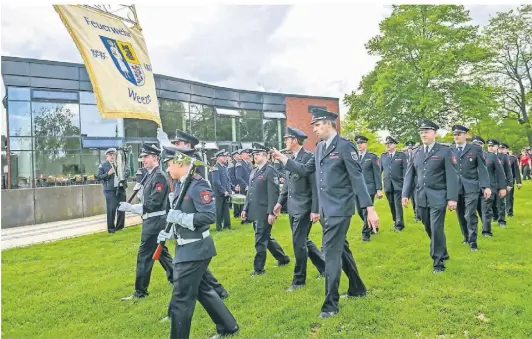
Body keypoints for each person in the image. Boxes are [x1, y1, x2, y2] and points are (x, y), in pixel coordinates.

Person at [271, 108, 379, 319]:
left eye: (318, 125)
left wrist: (370, 208)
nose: (315, 130)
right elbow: (304, 170)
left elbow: (357, 179)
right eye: (314, 126)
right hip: (326, 209)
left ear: (329, 123)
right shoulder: (319, 148)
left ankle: (330, 305)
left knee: (330, 253)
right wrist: (283, 160)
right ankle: (357, 288)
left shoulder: (345, 147)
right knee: (342, 249)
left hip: (340, 210)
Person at [156, 146, 239, 339]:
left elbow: (209, 216)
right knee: (203, 290)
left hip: (195, 250)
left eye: (169, 165)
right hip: (187, 248)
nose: (167, 169)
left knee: (181, 300)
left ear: (180, 163)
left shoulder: (198, 185)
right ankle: (228, 326)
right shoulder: (180, 184)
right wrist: (169, 234)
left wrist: (181, 218)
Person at [156, 128, 230, 301]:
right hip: (189, 239)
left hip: (196, 236)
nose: (176, 147)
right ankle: (221, 298)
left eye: (178, 144)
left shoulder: (194, 171)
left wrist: (180, 217)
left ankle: (219, 296)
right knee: (202, 281)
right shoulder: (180, 173)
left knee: (187, 287)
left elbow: (206, 213)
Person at [402, 119, 458, 273]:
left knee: (436, 228)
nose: (423, 134)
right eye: (421, 132)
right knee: (429, 228)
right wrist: (405, 194)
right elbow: (409, 175)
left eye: (426, 131)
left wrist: (452, 198)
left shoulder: (445, 151)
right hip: (421, 197)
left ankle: (438, 262)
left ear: (435, 133)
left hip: (438, 196)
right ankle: (443, 251)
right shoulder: (416, 152)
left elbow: (452, 176)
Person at [118, 143, 174, 300]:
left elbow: (154, 203)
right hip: (152, 220)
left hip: (155, 220)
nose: (143, 160)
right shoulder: (149, 175)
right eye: (142, 157)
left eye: (146, 157)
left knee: (144, 256)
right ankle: (176, 277)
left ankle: (140, 291)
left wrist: (132, 208)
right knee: (162, 253)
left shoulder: (160, 176)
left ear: (155, 157)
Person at [273, 127, 325, 291]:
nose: (285, 142)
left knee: (298, 243)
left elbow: (315, 186)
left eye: (287, 139)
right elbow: (288, 184)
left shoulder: (308, 157)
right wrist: (280, 202)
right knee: (303, 240)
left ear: (294, 140)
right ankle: (324, 268)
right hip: (292, 206)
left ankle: (298, 281)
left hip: (304, 207)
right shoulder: (292, 157)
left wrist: (315, 210)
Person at [242, 143, 290, 276]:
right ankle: (283, 258)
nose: (254, 157)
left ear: (265, 155)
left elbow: (273, 194)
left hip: (264, 212)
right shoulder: (254, 170)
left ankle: (258, 269)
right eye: (254, 155)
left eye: (257, 154)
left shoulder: (270, 170)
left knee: (260, 240)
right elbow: (249, 193)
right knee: (265, 238)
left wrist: (271, 212)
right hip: (254, 210)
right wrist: (245, 209)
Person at [450, 125, 490, 251]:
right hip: (456, 187)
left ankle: (473, 242)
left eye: (459, 134)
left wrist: (486, 186)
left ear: (466, 135)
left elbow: (483, 169)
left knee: (470, 214)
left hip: (471, 186)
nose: (456, 136)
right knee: (460, 214)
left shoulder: (475, 149)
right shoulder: (449, 149)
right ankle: (466, 237)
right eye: (455, 134)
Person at [475, 138, 507, 237]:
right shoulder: (469, 157)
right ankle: (471, 233)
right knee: (475, 210)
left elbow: (500, 172)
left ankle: (486, 231)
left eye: (479, 144)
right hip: (473, 188)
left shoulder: (491, 156)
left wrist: (502, 187)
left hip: (489, 187)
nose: (477, 146)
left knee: (486, 209)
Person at [353, 135, 383, 241]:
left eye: (361, 143)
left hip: (369, 188)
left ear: (366, 144)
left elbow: (377, 174)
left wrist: (379, 189)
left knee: (366, 211)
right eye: (358, 143)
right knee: (360, 211)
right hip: (357, 189)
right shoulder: (354, 157)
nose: (359, 145)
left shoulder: (372, 157)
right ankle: (373, 223)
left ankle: (365, 234)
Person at [97, 148, 130, 233]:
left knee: (122, 208)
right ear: (107, 156)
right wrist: (108, 174)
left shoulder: (120, 164)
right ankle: (111, 229)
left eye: (113, 155)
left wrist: (125, 174)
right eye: (110, 155)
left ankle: (120, 227)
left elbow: (127, 172)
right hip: (110, 190)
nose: (112, 156)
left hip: (121, 188)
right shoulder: (103, 165)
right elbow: (99, 177)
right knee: (111, 209)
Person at [380, 136, 408, 233]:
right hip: (388, 184)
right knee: (391, 204)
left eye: (389, 144)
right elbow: (379, 171)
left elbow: (405, 170)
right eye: (386, 144)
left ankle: (399, 225)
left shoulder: (401, 155)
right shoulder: (383, 156)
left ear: (394, 144)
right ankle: (395, 220)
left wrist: (405, 184)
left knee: (397, 204)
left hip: (398, 184)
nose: (387, 146)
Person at [211, 150, 232, 232]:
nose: (225, 158)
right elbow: (216, 182)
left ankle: (227, 226)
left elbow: (227, 180)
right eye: (223, 157)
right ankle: (218, 228)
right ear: (218, 158)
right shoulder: (215, 167)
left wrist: (229, 190)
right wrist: (224, 191)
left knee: (226, 210)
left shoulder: (224, 167)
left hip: (226, 192)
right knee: (219, 210)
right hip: (219, 193)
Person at [493, 143, 513, 227]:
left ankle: (502, 221)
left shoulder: (503, 157)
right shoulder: (485, 156)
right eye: (489, 146)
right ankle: (495, 216)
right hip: (490, 183)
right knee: (492, 202)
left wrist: (509, 183)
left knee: (501, 202)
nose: (491, 148)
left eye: (492, 146)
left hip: (501, 183)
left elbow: (508, 171)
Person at [235, 149, 253, 224]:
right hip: (244, 186)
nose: (248, 155)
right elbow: (238, 177)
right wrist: (246, 185)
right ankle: (244, 219)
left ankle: (249, 217)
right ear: (241, 155)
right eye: (246, 153)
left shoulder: (248, 163)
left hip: (249, 185)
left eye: (248, 153)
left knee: (249, 202)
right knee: (244, 203)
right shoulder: (239, 164)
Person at [504, 147, 522, 217]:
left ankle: (509, 212)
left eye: (504, 148)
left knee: (509, 196)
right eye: (501, 148)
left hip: (510, 179)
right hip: (499, 180)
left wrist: (519, 182)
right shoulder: (496, 157)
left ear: (507, 149)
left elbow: (516, 170)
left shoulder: (512, 158)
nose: (502, 150)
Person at [405, 141, 420, 222]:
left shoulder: (416, 154)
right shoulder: (405, 156)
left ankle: (418, 215)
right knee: (412, 199)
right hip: (410, 181)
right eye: (409, 148)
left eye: (411, 148)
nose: (410, 150)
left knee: (417, 197)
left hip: (417, 180)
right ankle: (415, 212)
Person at [229, 151, 243, 219]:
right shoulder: (232, 164)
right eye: (238, 154)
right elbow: (231, 176)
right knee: (236, 199)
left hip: (239, 183)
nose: (239, 155)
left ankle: (240, 212)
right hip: (235, 184)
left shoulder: (238, 162)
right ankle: (236, 213)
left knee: (240, 198)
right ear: (234, 156)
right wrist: (235, 185)